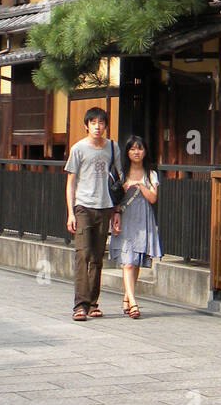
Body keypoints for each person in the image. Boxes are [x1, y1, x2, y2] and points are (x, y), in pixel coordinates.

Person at [64, 107, 122, 322]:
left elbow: (119, 181)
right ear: (86, 125)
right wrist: (71, 212)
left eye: (101, 122)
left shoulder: (112, 148)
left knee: (97, 257)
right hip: (83, 206)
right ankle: (80, 305)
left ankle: (93, 303)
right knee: (83, 254)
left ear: (106, 125)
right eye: (93, 122)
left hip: (105, 206)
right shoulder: (78, 149)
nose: (98, 126)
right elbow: (70, 182)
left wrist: (117, 210)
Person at [107, 135, 162, 319]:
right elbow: (115, 198)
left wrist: (139, 185)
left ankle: (126, 297)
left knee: (136, 260)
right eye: (132, 149)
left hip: (143, 218)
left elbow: (153, 198)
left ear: (145, 151)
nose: (136, 152)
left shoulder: (150, 174)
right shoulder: (122, 173)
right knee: (128, 261)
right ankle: (134, 302)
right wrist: (115, 215)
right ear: (127, 152)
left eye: (139, 148)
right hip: (126, 217)